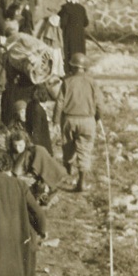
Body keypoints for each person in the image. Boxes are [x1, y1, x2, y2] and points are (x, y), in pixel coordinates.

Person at [54, 52, 101, 192]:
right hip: (87, 120)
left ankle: (68, 176)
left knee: (67, 148)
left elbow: (59, 103)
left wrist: (55, 120)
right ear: (85, 68)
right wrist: (97, 118)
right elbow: (99, 104)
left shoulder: (67, 82)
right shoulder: (92, 82)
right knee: (84, 151)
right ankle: (82, 181)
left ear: (72, 67)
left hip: (69, 119)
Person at [58, 0, 89, 74]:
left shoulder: (66, 8)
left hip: (69, 35)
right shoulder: (81, 8)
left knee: (69, 51)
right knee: (79, 51)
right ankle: (81, 69)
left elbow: (63, 23)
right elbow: (86, 23)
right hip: (79, 36)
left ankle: (69, 71)